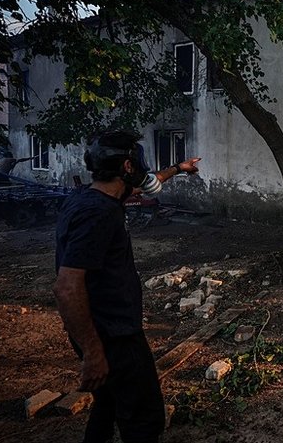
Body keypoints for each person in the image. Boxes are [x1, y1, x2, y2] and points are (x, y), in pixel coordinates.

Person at [53, 131, 201, 443]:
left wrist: (178, 168)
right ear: (127, 166)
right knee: (144, 420)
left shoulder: (88, 197)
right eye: (138, 163)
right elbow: (66, 287)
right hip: (114, 336)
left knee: (107, 404)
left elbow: (149, 183)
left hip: (102, 331)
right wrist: (93, 353)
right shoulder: (99, 214)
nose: (143, 171)